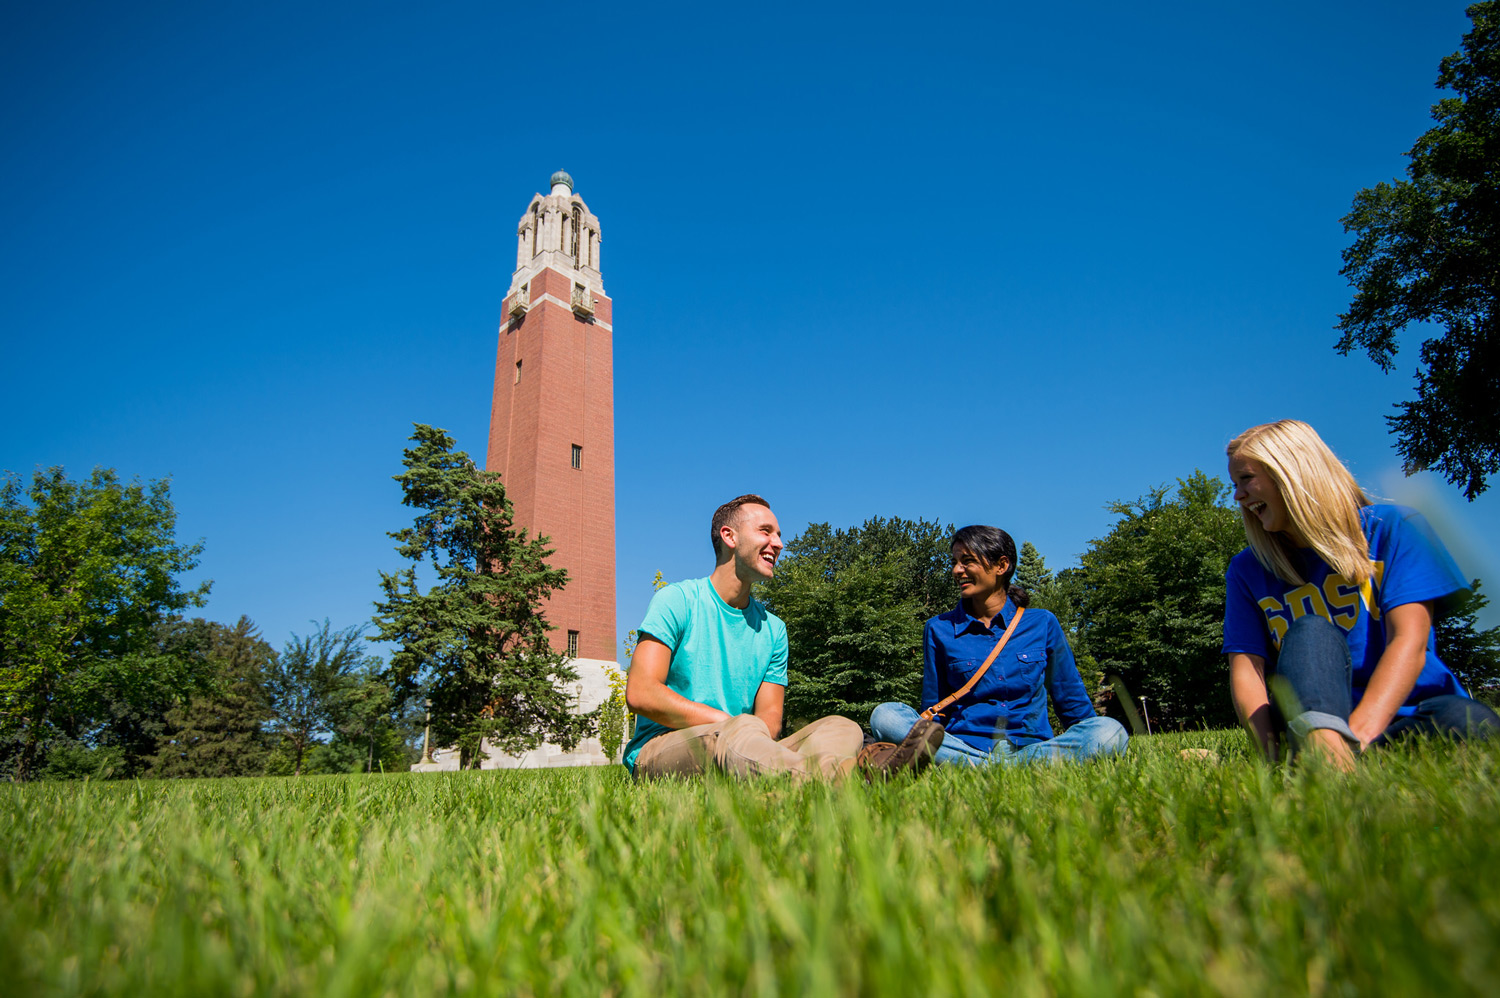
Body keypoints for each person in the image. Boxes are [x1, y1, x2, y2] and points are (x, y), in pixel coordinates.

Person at [1223, 419, 1500, 769]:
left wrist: (1355, 740)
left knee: (1471, 721)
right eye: (1235, 483)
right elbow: (1246, 669)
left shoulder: (1395, 528)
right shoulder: (1247, 568)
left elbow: (1409, 642)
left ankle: (1339, 763)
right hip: (1308, 725)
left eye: (1246, 479)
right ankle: (1324, 753)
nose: (1238, 495)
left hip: (1403, 718)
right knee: (1310, 632)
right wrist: (1270, 759)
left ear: (1290, 472)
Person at [623, 495, 936, 780]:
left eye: (779, 535)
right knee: (741, 730)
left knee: (842, 726)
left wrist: (742, 730)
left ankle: (811, 778)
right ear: (729, 536)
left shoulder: (773, 629)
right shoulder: (677, 600)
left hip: (746, 743)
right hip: (662, 749)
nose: (779, 543)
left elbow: (769, 723)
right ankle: (852, 777)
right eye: (765, 531)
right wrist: (727, 724)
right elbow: (641, 693)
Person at [869, 525, 1128, 766]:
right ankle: (1001, 768)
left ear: (1001, 565)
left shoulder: (1042, 623)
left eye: (967, 561)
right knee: (885, 715)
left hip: (1031, 749)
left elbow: (1070, 698)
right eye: (955, 563)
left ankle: (979, 769)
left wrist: (1094, 738)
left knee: (1110, 731)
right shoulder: (939, 629)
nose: (957, 570)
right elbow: (935, 711)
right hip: (964, 746)